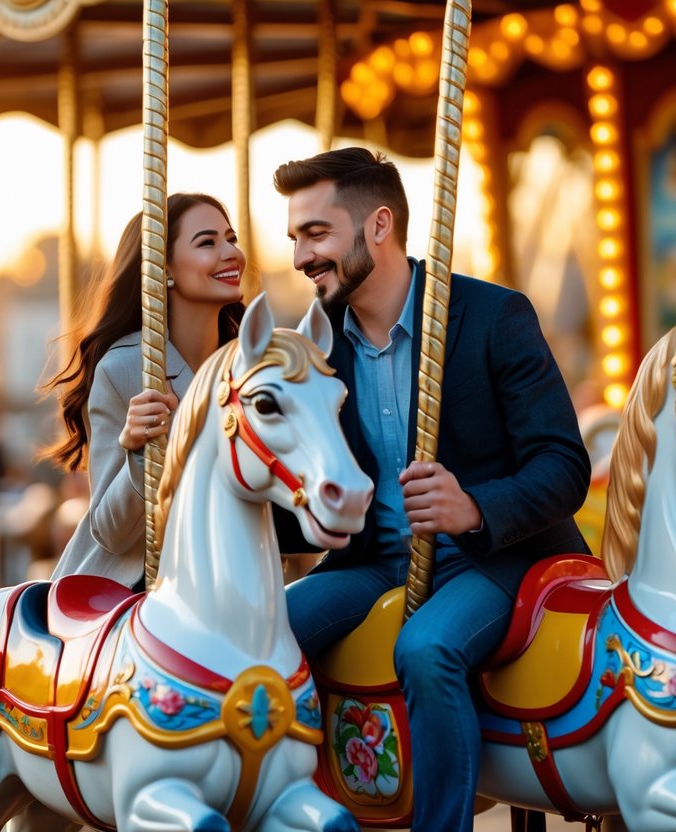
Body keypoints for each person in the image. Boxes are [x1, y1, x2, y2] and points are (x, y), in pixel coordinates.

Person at [274, 147, 591, 831]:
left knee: (426, 647)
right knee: (262, 632)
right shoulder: (313, 347)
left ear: (378, 225)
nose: (300, 255)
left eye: (315, 233)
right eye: (294, 237)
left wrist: (473, 507)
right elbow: (300, 499)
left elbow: (563, 465)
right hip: (374, 558)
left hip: (497, 556)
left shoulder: (490, 317)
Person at [48, 193, 245, 588]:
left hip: (230, 578)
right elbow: (111, 532)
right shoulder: (125, 369)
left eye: (231, 238)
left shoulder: (248, 368)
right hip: (139, 584)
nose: (232, 253)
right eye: (208, 242)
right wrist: (139, 456)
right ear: (164, 267)